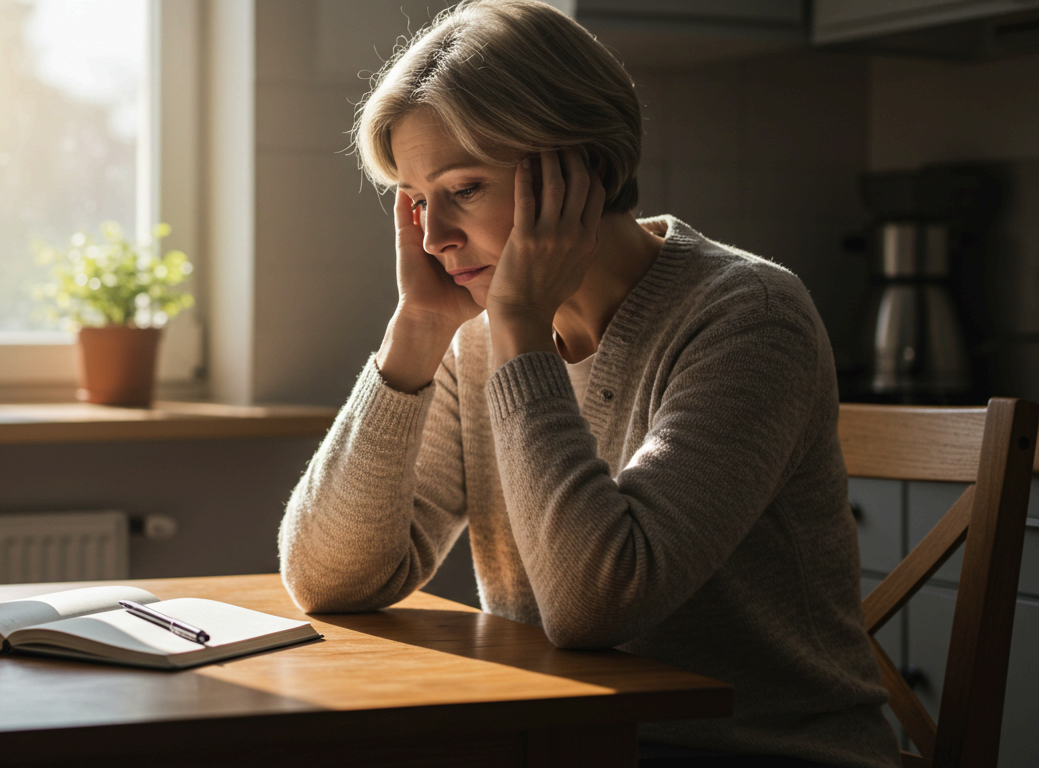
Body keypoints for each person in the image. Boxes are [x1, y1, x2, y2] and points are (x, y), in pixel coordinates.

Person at [276, 2, 900, 766]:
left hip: (753, 749)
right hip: (560, 735)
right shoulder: (478, 328)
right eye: (416, 202)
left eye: (464, 189)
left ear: (580, 170)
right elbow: (327, 579)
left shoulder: (750, 315)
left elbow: (596, 604)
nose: (434, 238)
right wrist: (413, 334)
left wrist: (519, 331)